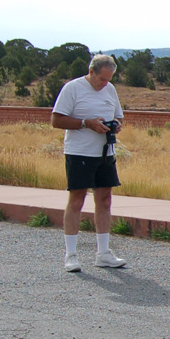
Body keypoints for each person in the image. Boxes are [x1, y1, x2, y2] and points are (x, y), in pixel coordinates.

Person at [50, 54, 127, 272]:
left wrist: (116, 125)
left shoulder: (110, 89)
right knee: (77, 198)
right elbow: (56, 120)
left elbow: (119, 115)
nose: (105, 83)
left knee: (104, 198)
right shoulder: (72, 89)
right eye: (102, 79)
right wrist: (86, 124)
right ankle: (71, 255)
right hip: (79, 152)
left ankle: (103, 253)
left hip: (105, 152)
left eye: (109, 79)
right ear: (91, 72)